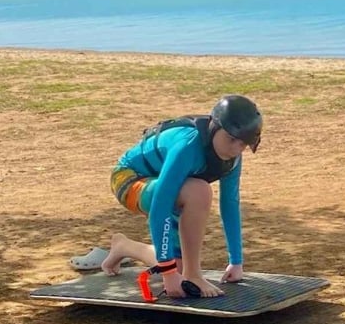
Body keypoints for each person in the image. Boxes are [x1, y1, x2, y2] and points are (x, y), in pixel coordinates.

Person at [101, 94, 263, 299]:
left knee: (178, 265)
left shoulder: (233, 159)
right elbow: (161, 207)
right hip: (128, 179)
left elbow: (230, 205)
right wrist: (168, 275)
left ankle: (124, 246)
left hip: (171, 186)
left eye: (243, 144)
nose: (235, 149)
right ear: (215, 127)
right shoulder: (188, 146)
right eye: (231, 139)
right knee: (199, 191)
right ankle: (194, 275)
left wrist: (236, 262)